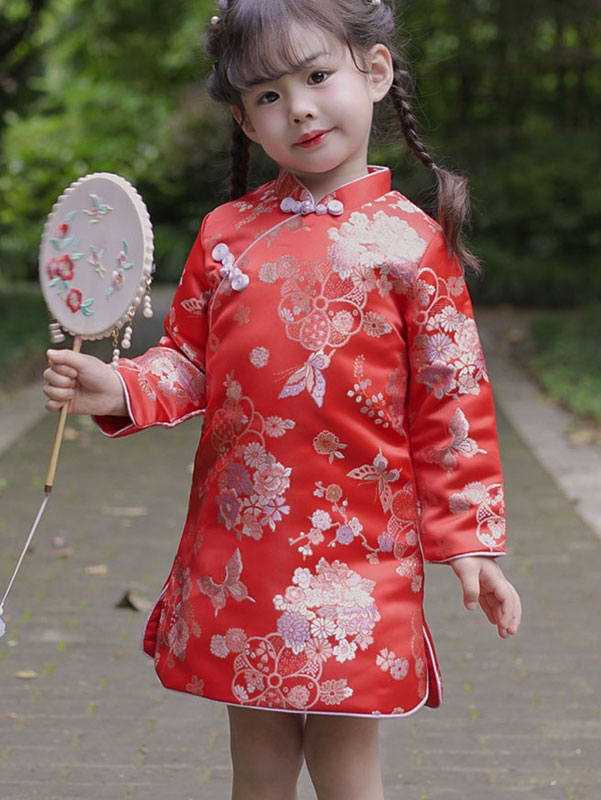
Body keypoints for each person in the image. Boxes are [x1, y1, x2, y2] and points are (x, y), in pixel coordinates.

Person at [43, 1, 522, 797]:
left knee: (345, 770)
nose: (297, 106)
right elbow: (189, 364)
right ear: (243, 119)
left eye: (317, 75)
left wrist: (468, 544)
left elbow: (452, 401)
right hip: (242, 545)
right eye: (267, 95)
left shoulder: (414, 245)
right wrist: (118, 385)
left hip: (358, 555)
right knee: (257, 767)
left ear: (373, 73)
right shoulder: (227, 235)